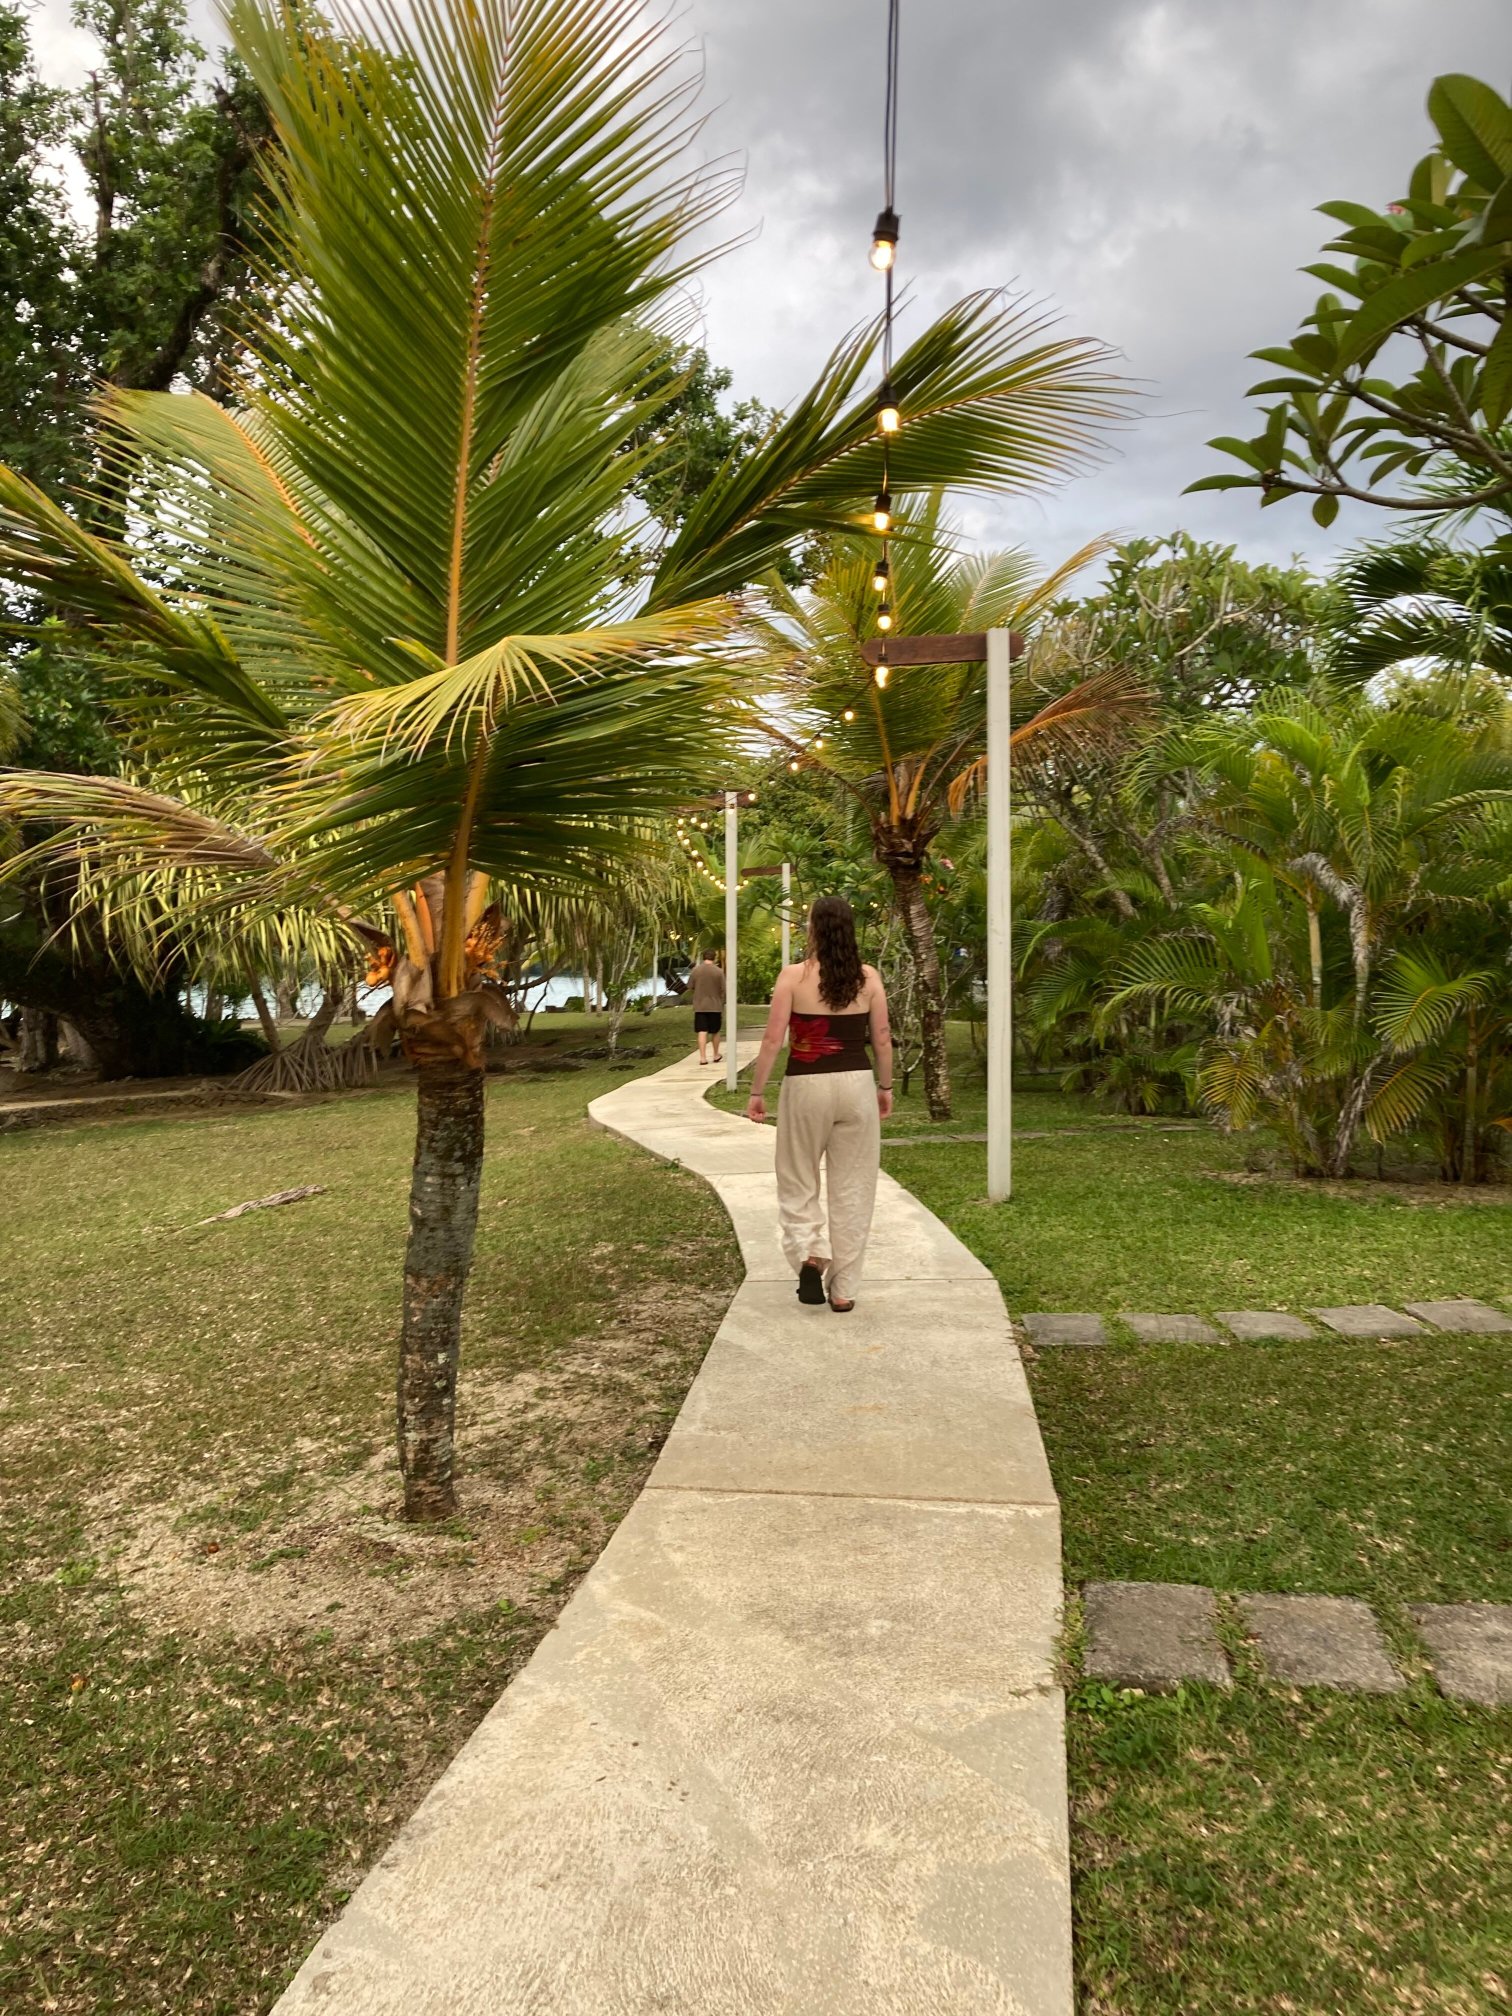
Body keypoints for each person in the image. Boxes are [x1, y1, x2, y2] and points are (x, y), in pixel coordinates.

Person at [745, 896, 893, 1313]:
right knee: (854, 1187)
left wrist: (757, 1093)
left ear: (813, 929)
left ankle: (810, 1252)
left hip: (806, 1086)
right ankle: (843, 1288)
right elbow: (881, 1039)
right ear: (850, 930)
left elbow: (774, 1040)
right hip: (857, 1085)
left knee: (797, 1176)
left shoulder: (792, 977)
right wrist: (885, 1086)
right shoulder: (869, 978)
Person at [686, 949, 726, 1066]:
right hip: (715, 1005)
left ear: (704, 957)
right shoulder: (719, 972)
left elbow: (690, 986)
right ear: (714, 957)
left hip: (700, 1006)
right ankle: (716, 1054)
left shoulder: (696, 971)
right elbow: (723, 989)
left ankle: (703, 1058)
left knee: (702, 1031)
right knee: (715, 1031)